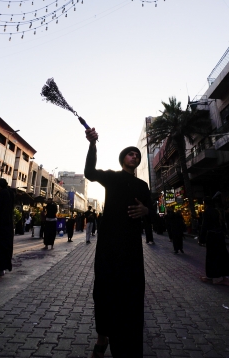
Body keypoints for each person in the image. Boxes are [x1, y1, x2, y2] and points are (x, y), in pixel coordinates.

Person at [84, 128, 150, 358]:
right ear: (123, 159)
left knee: (131, 294)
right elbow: (89, 172)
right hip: (108, 246)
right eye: (131, 153)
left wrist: (146, 210)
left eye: (137, 154)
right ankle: (102, 336)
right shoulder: (112, 177)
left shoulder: (142, 186)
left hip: (132, 249)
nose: (135, 156)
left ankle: (126, 342)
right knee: (104, 291)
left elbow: (152, 212)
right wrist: (92, 145)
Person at [199, 196, 229, 286]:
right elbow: (222, 223)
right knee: (222, 256)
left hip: (212, 236)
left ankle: (210, 277)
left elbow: (204, 225)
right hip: (219, 236)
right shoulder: (217, 211)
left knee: (211, 257)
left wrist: (201, 238)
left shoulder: (207, 212)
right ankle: (225, 278)